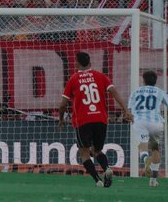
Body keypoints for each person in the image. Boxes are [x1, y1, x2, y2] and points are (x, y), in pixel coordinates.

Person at [58, 52, 133, 188]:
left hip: (83, 120)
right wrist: (125, 110)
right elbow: (114, 92)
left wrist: (61, 119)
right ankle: (107, 168)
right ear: (90, 63)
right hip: (100, 119)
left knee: (84, 153)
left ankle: (98, 180)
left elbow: (63, 104)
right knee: (97, 150)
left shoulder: (73, 79)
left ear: (76, 63)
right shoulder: (100, 76)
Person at [128, 70, 168, 187]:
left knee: (143, 145)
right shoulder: (160, 92)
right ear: (155, 81)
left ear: (143, 80)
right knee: (155, 149)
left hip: (139, 121)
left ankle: (146, 159)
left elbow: (129, 110)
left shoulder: (135, 92)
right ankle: (153, 180)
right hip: (155, 121)